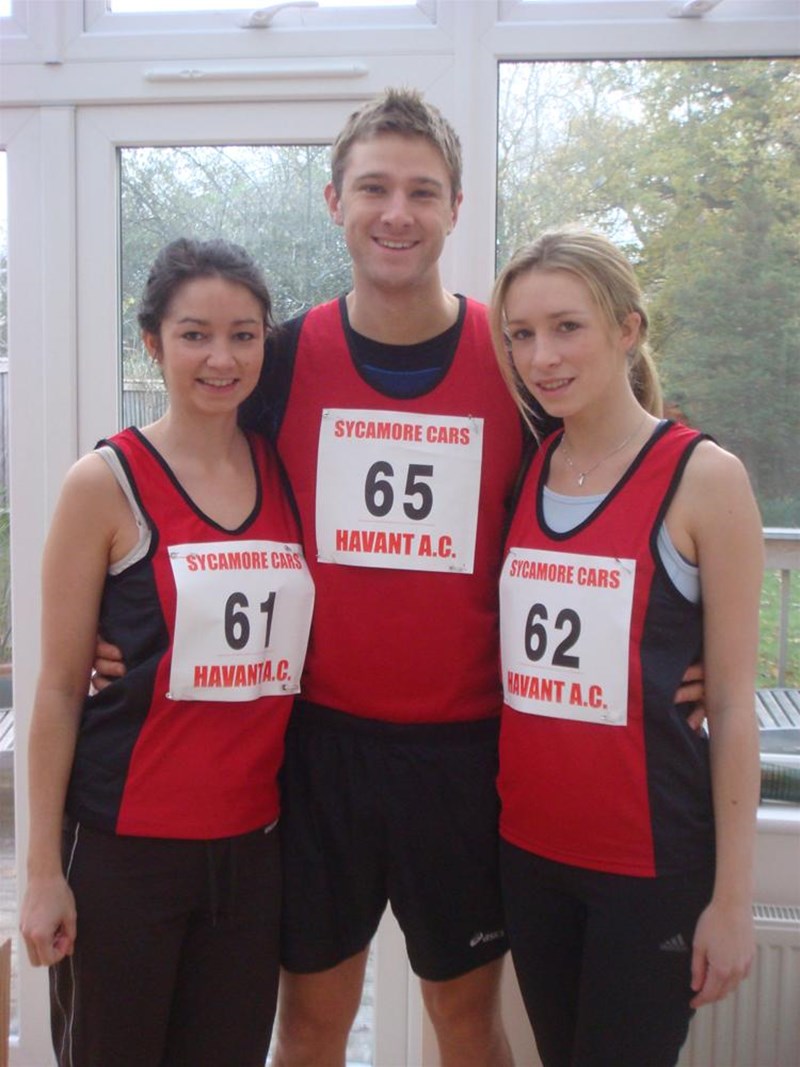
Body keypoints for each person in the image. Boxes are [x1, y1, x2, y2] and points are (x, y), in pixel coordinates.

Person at [93, 92, 704, 1067]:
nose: (396, 212)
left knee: (463, 1022)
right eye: (374, 187)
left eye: (422, 191)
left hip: (465, 755)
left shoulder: (514, 361)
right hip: (318, 749)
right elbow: (192, 481)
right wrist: (121, 621)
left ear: (456, 206)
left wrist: (684, 640)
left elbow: (621, 483)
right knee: (310, 1025)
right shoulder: (279, 359)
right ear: (333, 199)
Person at [20, 238, 315, 1067]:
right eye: (195, 335)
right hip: (124, 852)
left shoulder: (286, 470)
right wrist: (40, 872)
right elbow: (57, 689)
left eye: (243, 335)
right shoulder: (103, 483)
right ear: (153, 342)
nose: (222, 358)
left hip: (251, 853)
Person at [489, 228, 763, 1067]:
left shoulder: (705, 477)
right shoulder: (529, 467)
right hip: (530, 854)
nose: (542, 357)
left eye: (567, 327)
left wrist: (733, 901)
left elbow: (731, 705)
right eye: (522, 334)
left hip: (648, 865)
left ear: (627, 329)